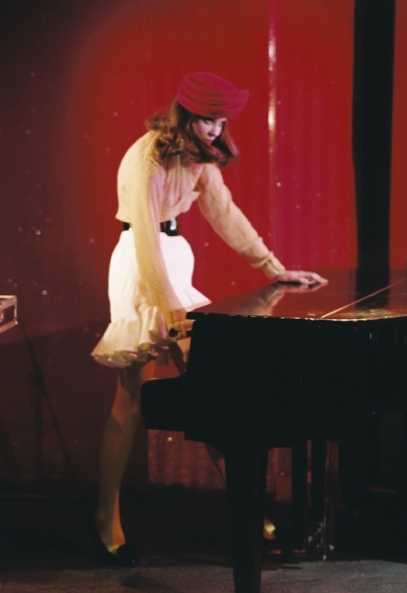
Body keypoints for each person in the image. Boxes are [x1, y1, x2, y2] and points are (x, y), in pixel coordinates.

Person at [90, 71, 327, 565]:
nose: (217, 129)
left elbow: (226, 214)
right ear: (186, 115)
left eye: (221, 121)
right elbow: (145, 239)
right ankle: (105, 517)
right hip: (141, 267)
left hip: (175, 261)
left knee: (212, 394)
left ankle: (247, 509)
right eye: (208, 120)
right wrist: (172, 310)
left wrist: (274, 269)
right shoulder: (147, 156)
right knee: (130, 400)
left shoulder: (199, 157)